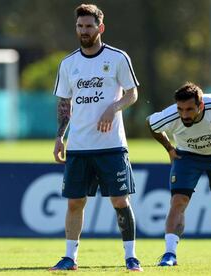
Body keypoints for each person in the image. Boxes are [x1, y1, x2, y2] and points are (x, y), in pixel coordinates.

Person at [50, 4, 142, 272]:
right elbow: (65, 102)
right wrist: (59, 137)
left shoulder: (117, 58)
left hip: (112, 145)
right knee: (75, 202)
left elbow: (132, 93)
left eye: (89, 26)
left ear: (100, 28)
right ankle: (70, 258)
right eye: (80, 26)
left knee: (120, 201)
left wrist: (112, 108)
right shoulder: (68, 64)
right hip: (79, 146)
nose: (84, 31)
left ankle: (131, 257)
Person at [146, 82, 211, 266]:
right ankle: (169, 255)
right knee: (178, 201)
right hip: (186, 157)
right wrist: (169, 149)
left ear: (201, 105)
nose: (184, 115)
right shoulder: (170, 116)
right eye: (181, 109)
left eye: (189, 109)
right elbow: (151, 124)